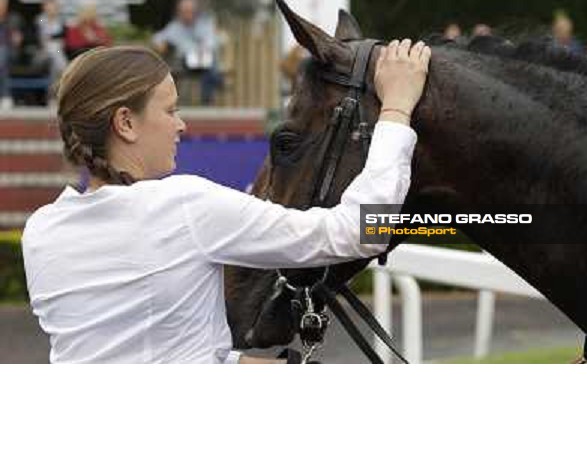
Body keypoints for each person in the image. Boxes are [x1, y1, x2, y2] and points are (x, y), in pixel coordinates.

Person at [21, 39, 431, 363]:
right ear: (126, 123)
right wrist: (396, 106)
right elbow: (359, 231)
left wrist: (238, 365)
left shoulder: (40, 230)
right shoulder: (185, 206)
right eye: (170, 109)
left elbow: (130, 351)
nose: (180, 125)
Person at [152, 0, 222, 105]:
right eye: (185, 12)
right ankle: (217, 83)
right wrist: (160, 44)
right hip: (184, 62)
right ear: (179, 13)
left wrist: (204, 48)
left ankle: (207, 101)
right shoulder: (174, 27)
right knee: (210, 67)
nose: (188, 14)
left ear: (195, 12)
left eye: (191, 12)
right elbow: (157, 37)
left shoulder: (203, 25)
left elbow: (213, 41)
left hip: (202, 59)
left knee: (209, 63)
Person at [0, 0, 24, 109]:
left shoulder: (13, 19)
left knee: (2, 53)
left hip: (10, 53)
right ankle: (5, 96)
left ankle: (5, 95)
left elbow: (17, 41)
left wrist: (16, 38)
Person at [36, 0, 67, 87]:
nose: (50, 8)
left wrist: (52, 37)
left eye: (53, 6)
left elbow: (63, 37)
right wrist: (53, 38)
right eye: (48, 6)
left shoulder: (61, 20)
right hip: (42, 52)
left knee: (54, 61)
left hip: (58, 51)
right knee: (55, 53)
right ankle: (65, 73)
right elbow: (41, 39)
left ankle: (51, 95)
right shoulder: (40, 20)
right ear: (44, 7)